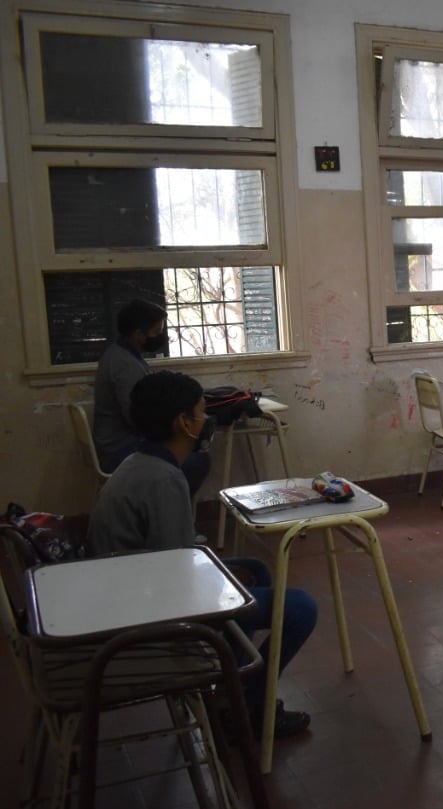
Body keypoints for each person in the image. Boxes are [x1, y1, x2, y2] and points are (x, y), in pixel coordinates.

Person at [86, 370, 317, 739]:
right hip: (149, 614)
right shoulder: (162, 479)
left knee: (255, 568)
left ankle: (232, 692)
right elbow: (179, 575)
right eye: (200, 412)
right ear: (183, 422)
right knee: (302, 607)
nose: (206, 420)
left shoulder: (138, 464)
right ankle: (251, 706)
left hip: (132, 587)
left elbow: (172, 554)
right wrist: (220, 578)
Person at [93, 299, 211, 499]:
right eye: (156, 332)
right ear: (138, 334)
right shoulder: (125, 366)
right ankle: (167, 511)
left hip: (118, 443)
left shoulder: (121, 354)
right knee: (197, 460)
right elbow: (138, 418)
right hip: (120, 449)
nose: (160, 337)